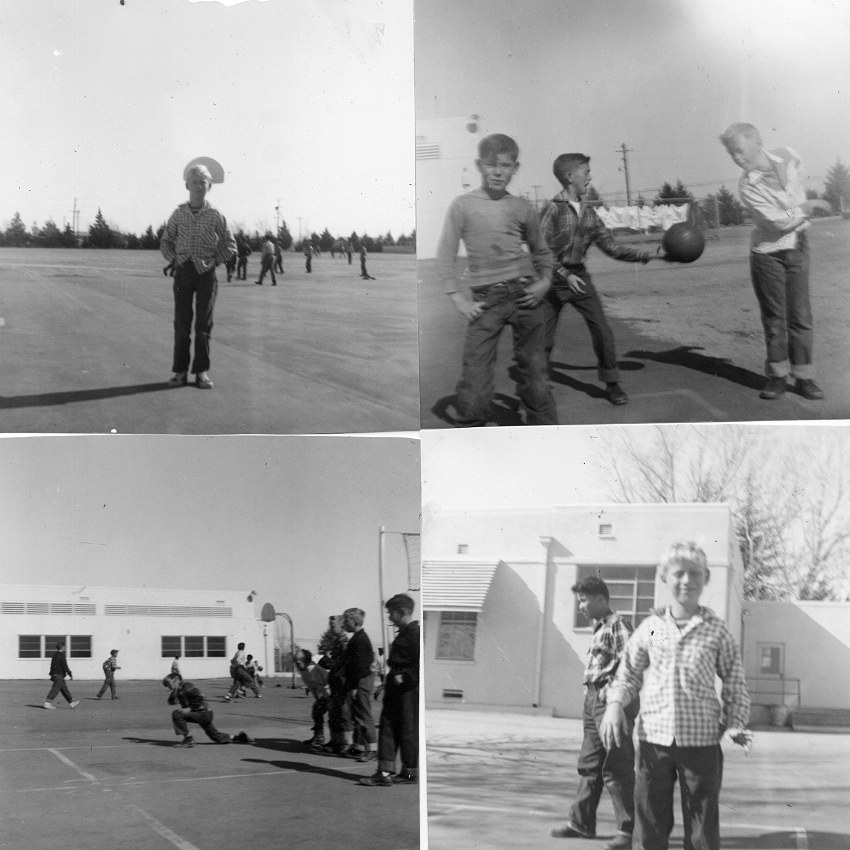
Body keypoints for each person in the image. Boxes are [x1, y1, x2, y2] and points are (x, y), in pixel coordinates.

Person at [599, 542, 753, 850]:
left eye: (695, 573)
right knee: (651, 824)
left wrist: (735, 723)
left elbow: (735, 683)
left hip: (701, 744)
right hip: (654, 741)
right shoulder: (656, 629)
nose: (687, 580)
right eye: (678, 573)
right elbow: (629, 673)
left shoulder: (715, 632)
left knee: (702, 827)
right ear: (664, 578)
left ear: (706, 578)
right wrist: (615, 705)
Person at [435, 132, 556, 427]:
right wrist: (457, 298)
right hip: (486, 300)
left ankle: (547, 434)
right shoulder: (462, 205)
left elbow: (541, 251)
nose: (498, 172)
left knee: (536, 376)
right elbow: (445, 255)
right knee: (475, 380)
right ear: (479, 165)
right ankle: (474, 430)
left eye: (506, 165)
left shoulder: (522, 206)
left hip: (525, 295)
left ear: (515, 168)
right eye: (491, 165)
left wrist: (545, 281)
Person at [541, 153, 667, 406]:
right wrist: (564, 276)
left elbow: (613, 248)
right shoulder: (552, 210)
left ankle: (612, 383)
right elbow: (540, 253)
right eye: (585, 172)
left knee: (602, 331)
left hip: (579, 276)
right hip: (552, 278)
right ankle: (537, 382)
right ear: (569, 177)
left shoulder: (589, 213)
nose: (590, 176)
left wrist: (650, 255)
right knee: (542, 338)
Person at [719, 123, 832, 401]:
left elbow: (798, 186)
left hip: (798, 247)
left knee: (801, 316)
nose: (737, 158)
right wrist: (807, 207)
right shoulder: (747, 185)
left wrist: (798, 205)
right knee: (774, 319)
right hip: (768, 253)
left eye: (740, 151)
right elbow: (778, 221)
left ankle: (804, 377)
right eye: (732, 154)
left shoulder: (789, 156)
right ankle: (777, 377)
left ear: (758, 142)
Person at [550, 578, 637, 849]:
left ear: (601, 599)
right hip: (592, 700)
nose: (581, 606)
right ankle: (581, 823)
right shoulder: (600, 628)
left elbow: (632, 664)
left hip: (610, 702)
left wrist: (611, 694)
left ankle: (626, 830)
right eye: (579, 601)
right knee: (590, 765)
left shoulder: (618, 625)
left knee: (617, 766)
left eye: (584, 600)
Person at [161, 163, 236, 390]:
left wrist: (215, 261)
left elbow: (230, 245)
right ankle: (180, 371)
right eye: (194, 182)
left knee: (204, 323)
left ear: (209, 187)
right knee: (182, 323)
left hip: (206, 275)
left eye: (203, 183)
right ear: (187, 185)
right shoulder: (178, 214)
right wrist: (173, 259)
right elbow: (165, 241)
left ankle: (201, 371)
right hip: (183, 272)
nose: (198, 187)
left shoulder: (215, 215)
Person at [359, 594, 419, 787]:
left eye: (391, 613)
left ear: (402, 612)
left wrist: (405, 677)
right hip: (402, 689)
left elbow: (419, 665)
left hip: (405, 690)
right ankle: (405, 773)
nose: (389, 618)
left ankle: (387, 773)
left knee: (393, 728)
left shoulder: (413, 634)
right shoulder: (408, 632)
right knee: (405, 730)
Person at [162, 674, 253, 748]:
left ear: (176, 679)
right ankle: (241, 738)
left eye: (169, 684)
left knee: (177, 714)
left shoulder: (187, 686)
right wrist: (174, 694)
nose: (169, 687)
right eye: (167, 686)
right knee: (216, 737)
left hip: (203, 713)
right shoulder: (179, 690)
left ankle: (188, 740)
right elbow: (171, 702)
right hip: (203, 714)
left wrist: (189, 708)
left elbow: (201, 696)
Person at [342, 607, 377, 762]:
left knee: (364, 715)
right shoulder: (357, 637)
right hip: (359, 680)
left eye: (346, 620)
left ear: (354, 621)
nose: (344, 623)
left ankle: (373, 749)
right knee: (360, 716)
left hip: (362, 681)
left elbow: (361, 665)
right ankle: (363, 747)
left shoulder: (360, 639)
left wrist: (355, 686)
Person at [317, 615, 349, 754]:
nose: (331, 628)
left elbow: (348, 661)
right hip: (334, 680)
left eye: (333, 626)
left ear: (341, 626)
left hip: (341, 682)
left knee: (342, 713)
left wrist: (339, 673)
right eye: (330, 626)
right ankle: (335, 741)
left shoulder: (344, 641)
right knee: (333, 713)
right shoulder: (336, 641)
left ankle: (344, 743)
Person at [294, 648, 331, 750]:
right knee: (316, 711)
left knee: (328, 714)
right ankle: (318, 736)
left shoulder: (312, 669)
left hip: (330, 693)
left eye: (298, 663)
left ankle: (323, 739)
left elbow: (322, 685)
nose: (296, 666)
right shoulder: (304, 670)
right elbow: (311, 685)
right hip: (323, 694)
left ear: (306, 661)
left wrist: (326, 699)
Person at [44, 641, 79, 710]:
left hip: (56, 674)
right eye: (64, 647)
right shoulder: (62, 655)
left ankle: (71, 703)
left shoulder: (54, 655)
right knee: (55, 689)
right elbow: (64, 666)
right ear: (62, 647)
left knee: (64, 689)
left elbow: (52, 666)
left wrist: (52, 675)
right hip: (59, 675)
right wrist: (70, 673)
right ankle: (47, 703)